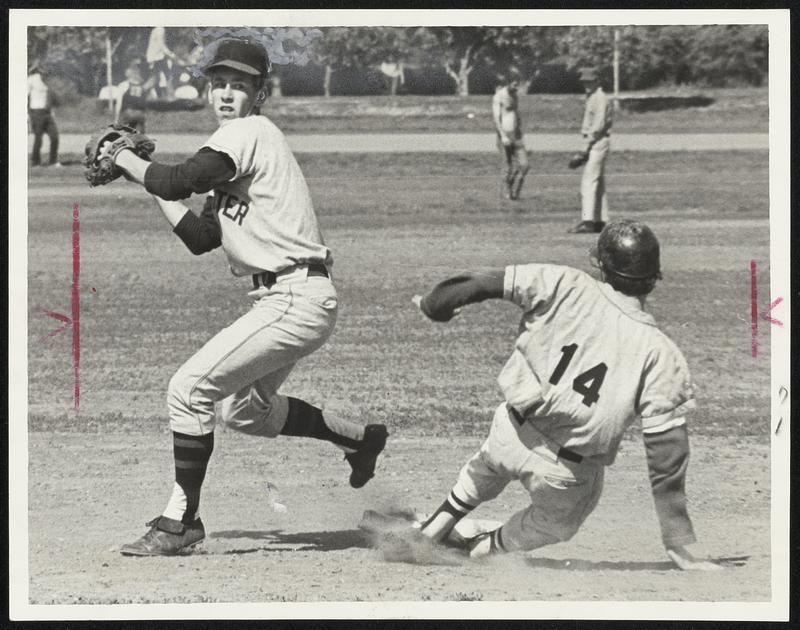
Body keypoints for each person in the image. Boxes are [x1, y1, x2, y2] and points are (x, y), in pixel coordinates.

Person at [106, 38, 388, 556]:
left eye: (241, 85)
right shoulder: (235, 152)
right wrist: (144, 177)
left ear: (259, 95)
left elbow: (179, 179)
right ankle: (359, 438)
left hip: (294, 296)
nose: (227, 94)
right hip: (291, 299)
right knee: (245, 414)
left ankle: (179, 522)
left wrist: (124, 157)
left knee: (187, 389)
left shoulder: (249, 132)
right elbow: (199, 236)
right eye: (219, 84)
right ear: (207, 90)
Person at [411, 220, 721, 571]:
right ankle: (483, 547)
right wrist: (677, 540)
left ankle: (442, 519)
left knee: (484, 470)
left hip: (509, 432)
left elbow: (482, 283)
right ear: (654, 277)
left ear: (600, 265)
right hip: (564, 473)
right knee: (558, 521)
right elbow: (667, 455)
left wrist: (435, 304)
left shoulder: (565, 282)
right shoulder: (661, 352)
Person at [568, 67, 613, 234]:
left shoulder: (600, 98)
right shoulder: (593, 97)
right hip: (596, 141)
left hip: (597, 141)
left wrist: (583, 150)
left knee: (588, 182)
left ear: (597, 80)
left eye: (590, 81)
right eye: (584, 81)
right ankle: (601, 220)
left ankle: (588, 221)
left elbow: (598, 126)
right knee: (598, 183)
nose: (586, 84)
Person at [491, 76, 529, 201]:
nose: (517, 88)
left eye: (518, 85)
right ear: (508, 83)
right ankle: (505, 196)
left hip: (516, 135)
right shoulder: (499, 97)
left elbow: (516, 114)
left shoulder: (515, 95)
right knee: (507, 166)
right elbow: (496, 119)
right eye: (514, 85)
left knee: (525, 165)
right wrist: (502, 136)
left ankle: (512, 184)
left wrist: (521, 134)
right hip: (505, 135)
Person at [27, 62, 61, 168]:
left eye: (47, 73)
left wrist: (52, 111)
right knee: (38, 138)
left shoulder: (47, 81)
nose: (45, 75)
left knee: (54, 137)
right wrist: (26, 114)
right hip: (36, 112)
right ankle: (35, 162)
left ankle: (53, 161)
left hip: (47, 112)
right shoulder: (32, 80)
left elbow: (49, 97)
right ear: (39, 71)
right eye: (44, 72)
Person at [114, 59, 155, 133]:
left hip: (128, 112)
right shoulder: (143, 85)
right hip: (140, 113)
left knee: (124, 134)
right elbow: (151, 99)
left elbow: (119, 103)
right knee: (140, 136)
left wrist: (116, 118)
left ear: (127, 73)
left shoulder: (124, 85)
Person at [146, 26, 176, 99]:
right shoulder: (160, 29)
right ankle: (171, 97)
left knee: (158, 77)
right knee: (165, 76)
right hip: (156, 57)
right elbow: (161, 45)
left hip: (156, 57)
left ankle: (170, 97)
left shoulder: (156, 29)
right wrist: (170, 54)